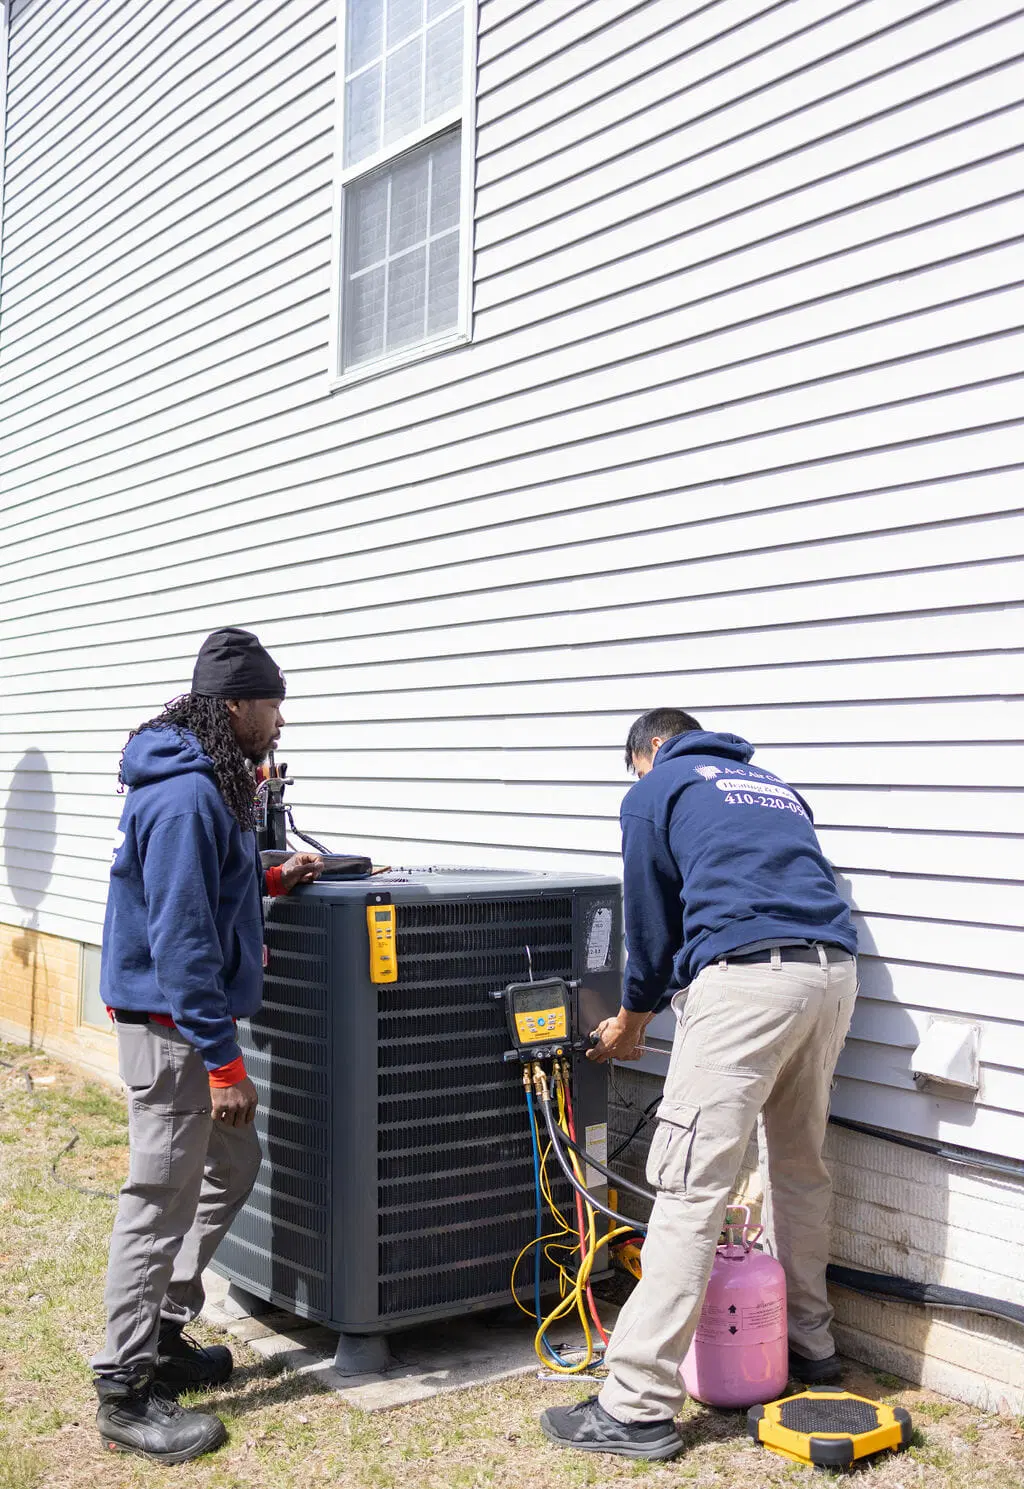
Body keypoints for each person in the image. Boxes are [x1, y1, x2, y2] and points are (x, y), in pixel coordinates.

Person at [541, 708, 858, 1461]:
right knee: (799, 1165)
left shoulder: (659, 787)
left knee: (688, 1184)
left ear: (648, 750)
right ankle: (811, 1348)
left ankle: (636, 1405)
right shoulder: (773, 786)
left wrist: (632, 1018)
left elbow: (649, 923)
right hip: (832, 974)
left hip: (748, 980)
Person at [92, 628, 323, 1464]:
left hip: (183, 1022)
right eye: (271, 705)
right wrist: (223, 1061)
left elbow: (202, 884)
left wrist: (267, 876)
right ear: (235, 706)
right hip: (172, 1031)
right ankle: (123, 1387)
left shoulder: (203, 783)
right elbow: (183, 935)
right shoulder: (187, 794)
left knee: (232, 1164)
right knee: (157, 1198)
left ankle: (161, 1327)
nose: (279, 721)